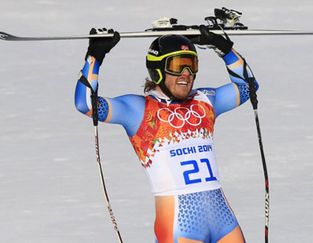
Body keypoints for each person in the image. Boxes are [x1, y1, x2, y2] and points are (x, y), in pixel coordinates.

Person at [75, 26, 259, 243]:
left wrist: (224, 48)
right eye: (178, 66)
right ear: (158, 69)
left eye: (191, 65)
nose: (186, 75)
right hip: (179, 224)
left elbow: (249, 87)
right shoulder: (138, 109)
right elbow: (85, 103)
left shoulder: (205, 100)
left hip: (223, 221)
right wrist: (95, 56)